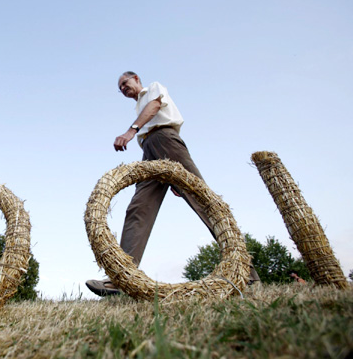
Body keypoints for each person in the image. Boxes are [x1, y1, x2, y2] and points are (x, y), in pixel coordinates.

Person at [86, 71, 260, 296]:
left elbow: (155, 107)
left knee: (204, 202)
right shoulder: (138, 106)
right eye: (119, 88)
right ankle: (122, 278)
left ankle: (247, 274)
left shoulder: (153, 90)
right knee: (139, 208)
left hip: (165, 141)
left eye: (125, 83)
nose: (122, 89)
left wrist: (131, 131)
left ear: (136, 79)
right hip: (149, 151)